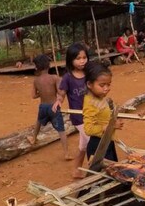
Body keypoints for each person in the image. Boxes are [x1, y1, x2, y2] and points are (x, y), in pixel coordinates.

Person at [56, 43, 90, 178]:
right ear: (71, 60)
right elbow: (62, 93)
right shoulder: (68, 77)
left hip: (91, 114)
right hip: (78, 117)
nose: (82, 61)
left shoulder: (89, 73)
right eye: (78, 58)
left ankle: (76, 169)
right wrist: (58, 102)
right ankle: (96, 168)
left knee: (83, 146)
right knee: (91, 140)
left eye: (84, 57)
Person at [28, 54, 70, 159]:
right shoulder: (54, 78)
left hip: (43, 106)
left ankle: (33, 138)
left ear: (37, 67)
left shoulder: (36, 80)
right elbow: (60, 92)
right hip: (54, 107)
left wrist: (41, 93)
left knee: (38, 121)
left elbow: (33, 96)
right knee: (61, 130)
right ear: (48, 66)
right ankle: (66, 153)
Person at [83, 60, 123, 163]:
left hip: (107, 142)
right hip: (98, 147)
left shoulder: (100, 98)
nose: (106, 88)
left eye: (108, 84)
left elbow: (104, 117)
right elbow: (88, 129)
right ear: (89, 84)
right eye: (102, 85)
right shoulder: (90, 104)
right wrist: (111, 126)